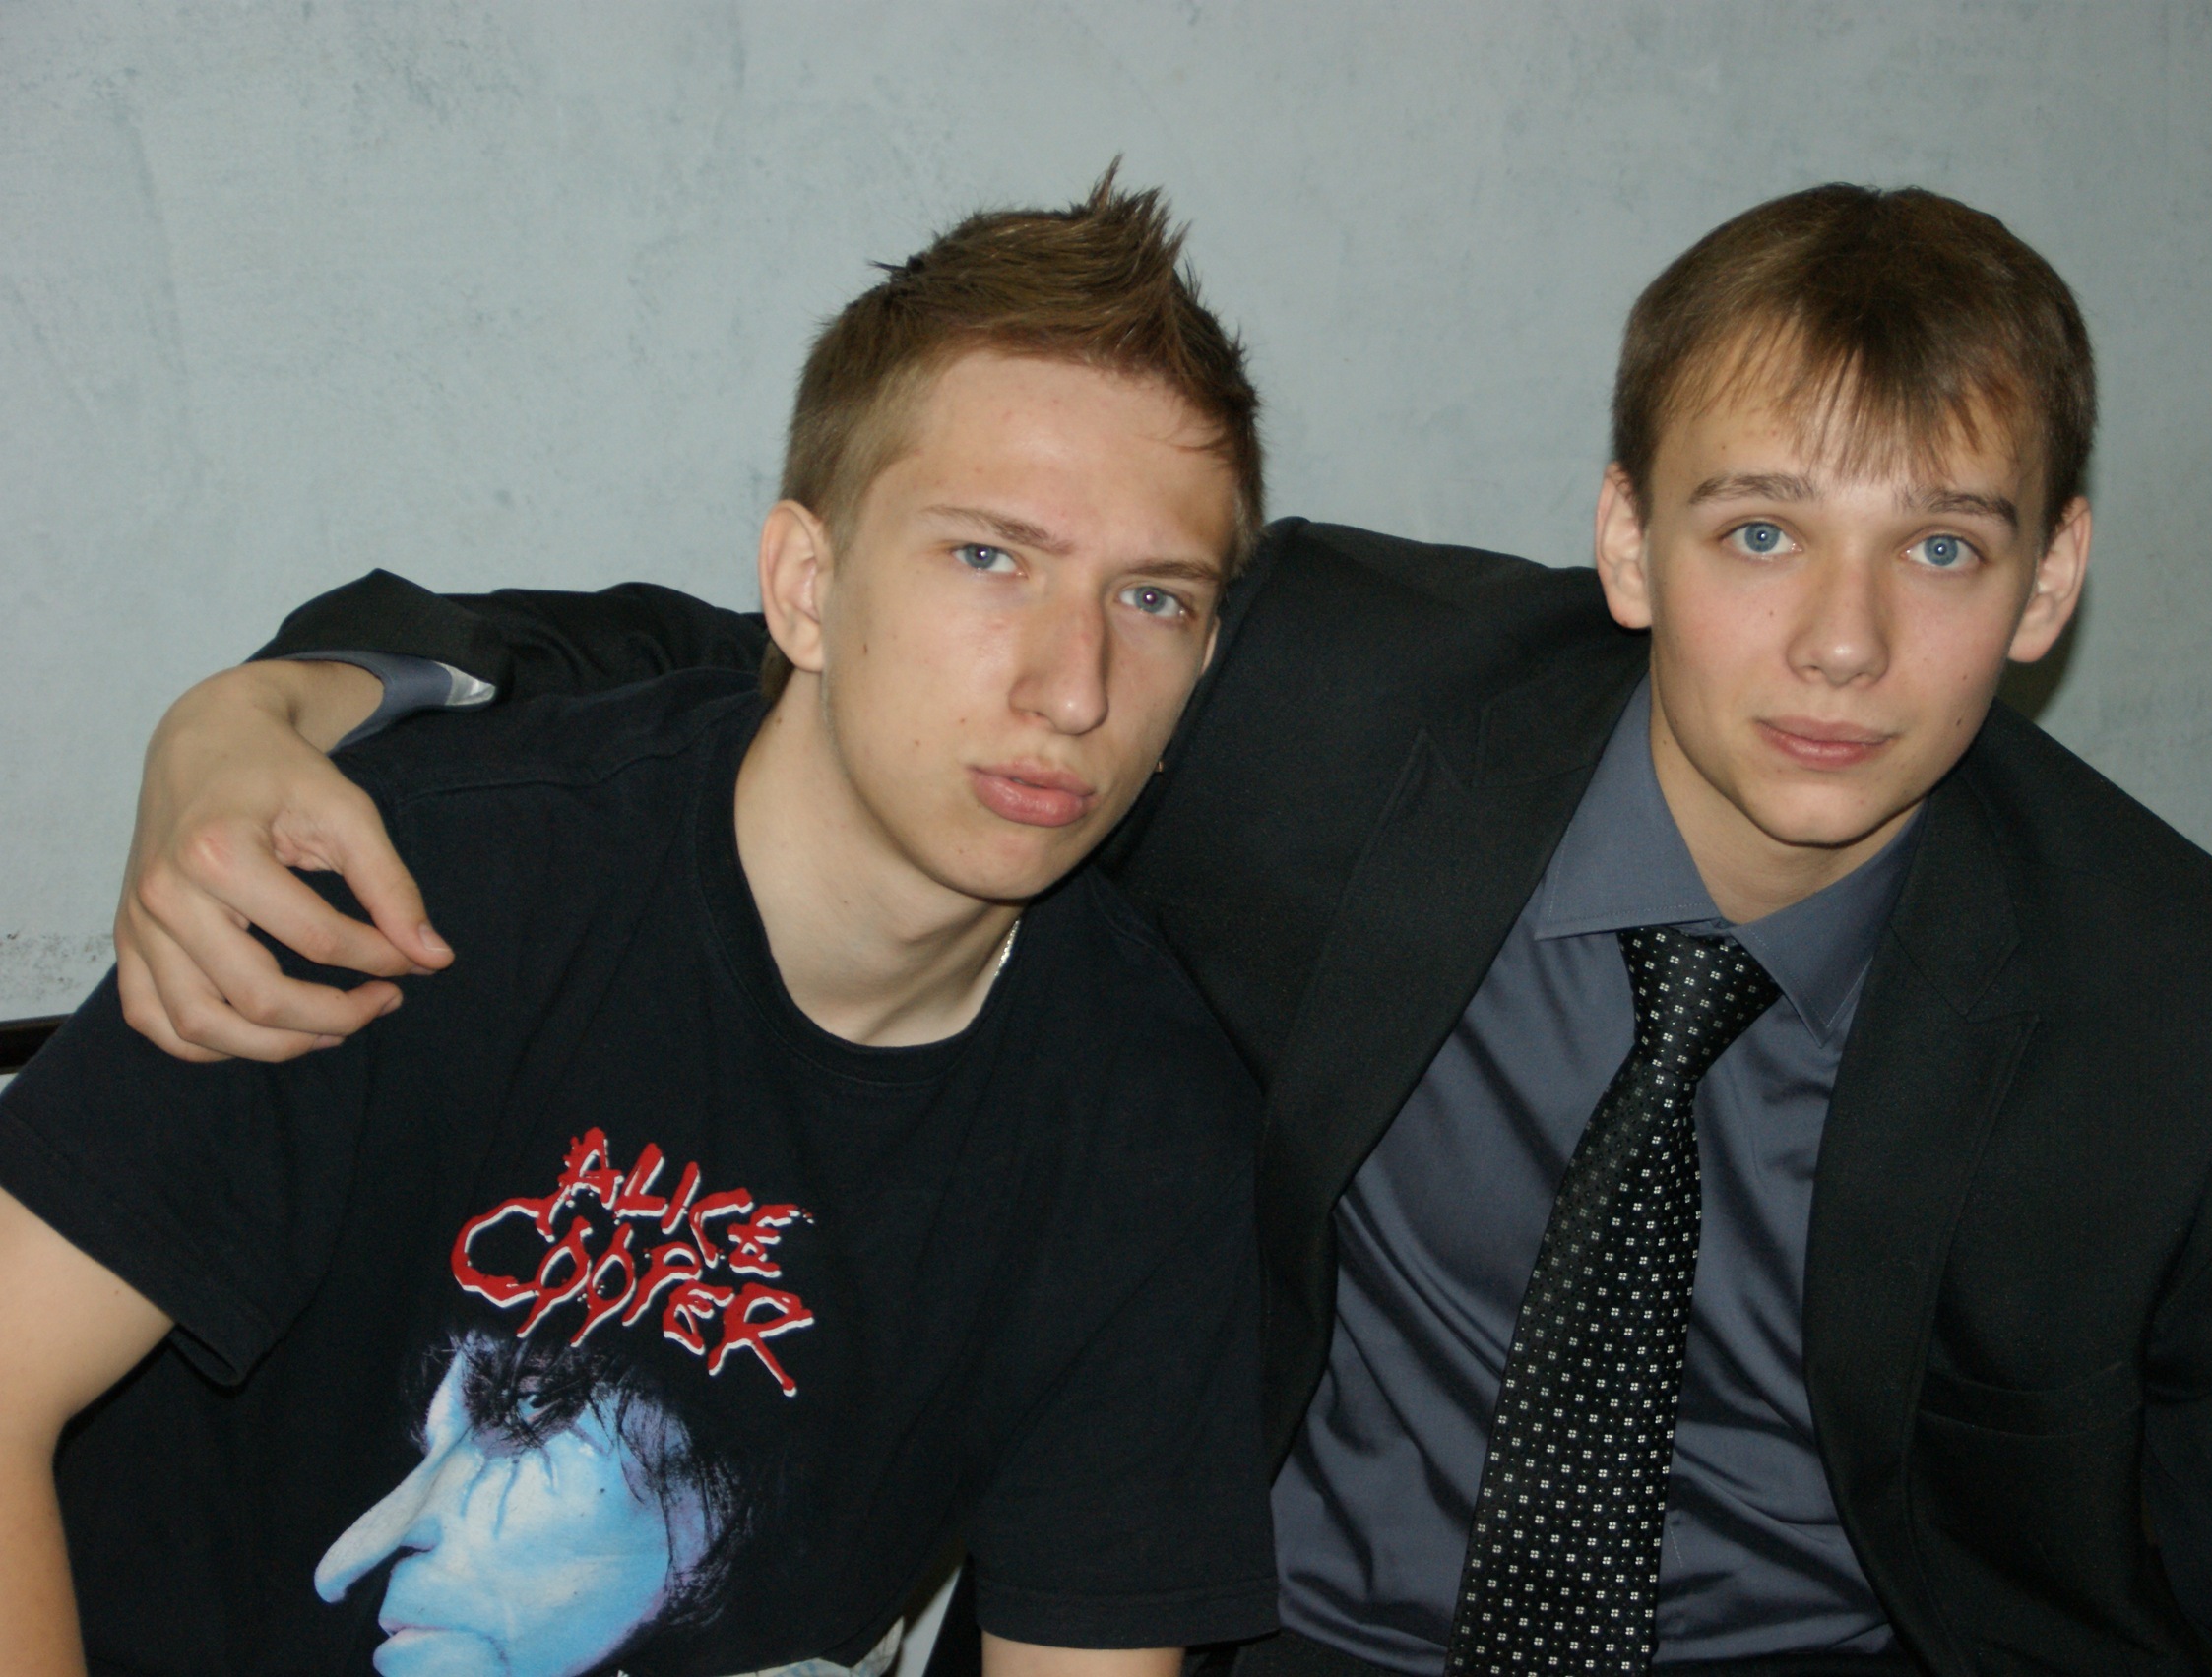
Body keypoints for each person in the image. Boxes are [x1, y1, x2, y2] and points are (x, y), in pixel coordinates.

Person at [99, 184, 2212, 1675]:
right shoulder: (1325, 701)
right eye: (1760, 530)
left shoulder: (2174, 1018)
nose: (1839, 644)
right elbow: (809, 678)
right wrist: (296, 699)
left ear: (2049, 584)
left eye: (1945, 548)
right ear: (1624, 540)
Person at [0, 176, 1284, 1677]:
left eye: (1154, 599)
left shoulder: (1144, 1126)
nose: (1074, 687)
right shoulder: (424, 873)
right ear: (805, 587)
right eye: (989, 557)